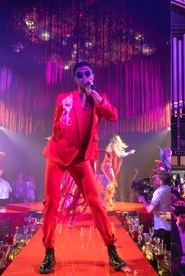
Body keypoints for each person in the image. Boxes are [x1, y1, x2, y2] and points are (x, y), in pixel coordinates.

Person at [39, 61, 125, 273]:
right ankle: (49, 251)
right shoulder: (64, 99)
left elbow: (113, 115)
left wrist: (95, 95)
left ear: (92, 76)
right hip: (57, 156)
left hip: (80, 159)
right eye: (80, 75)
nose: (84, 78)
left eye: (87, 74)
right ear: (75, 79)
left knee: (96, 203)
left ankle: (111, 248)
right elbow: (56, 130)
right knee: (51, 203)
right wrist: (66, 115)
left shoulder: (98, 98)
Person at [138, 171, 171, 251]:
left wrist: (143, 201)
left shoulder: (158, 192)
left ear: (160, 181)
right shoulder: (170, 189)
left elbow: (149, 210)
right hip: (170, 227)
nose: (154, 181)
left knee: (160, 252)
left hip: (161, 228)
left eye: (156, 179)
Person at [101, 134, 135, 211]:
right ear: (116, 140)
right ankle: (105, 201)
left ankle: (107, 200)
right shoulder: (112, 145)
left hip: (106, 166)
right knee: (112, 183)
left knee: (113, 183)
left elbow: (118, 155)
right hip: (106, 166)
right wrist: (129, 153)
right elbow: (119, 155)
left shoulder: (110, 145)